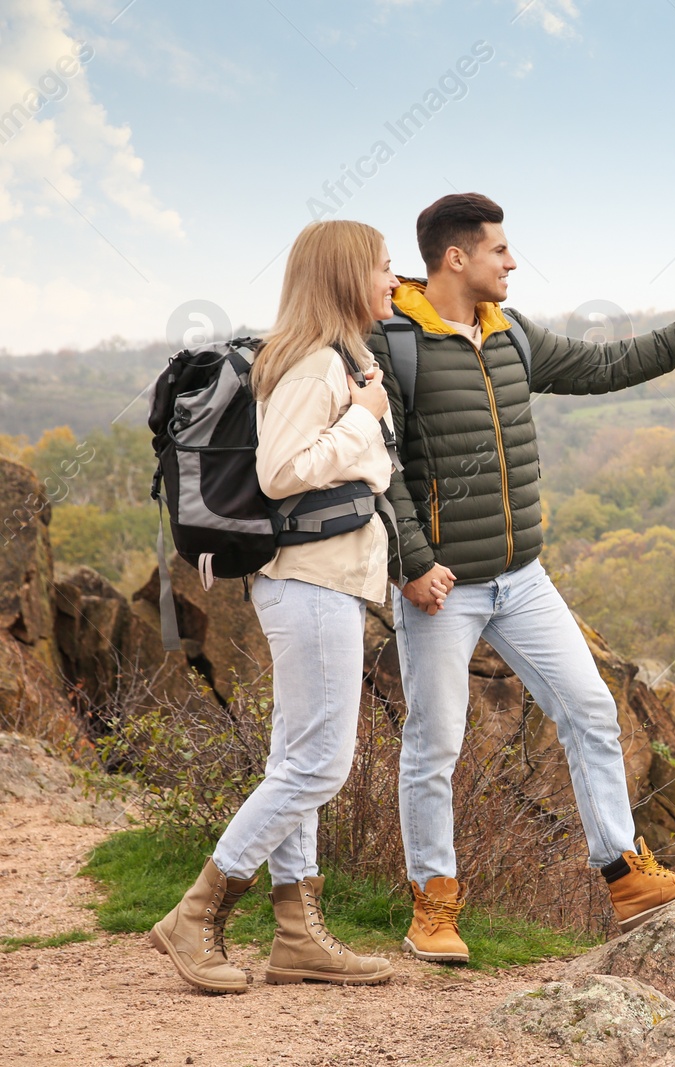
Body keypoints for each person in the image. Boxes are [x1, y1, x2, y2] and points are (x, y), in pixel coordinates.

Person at [372, 192, 675, 961]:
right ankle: (433, 906)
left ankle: (624, 876)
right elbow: (380, 469)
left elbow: (604, 364)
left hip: (521, 577)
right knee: (435, 743)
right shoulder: (394, 345)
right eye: (499, 250)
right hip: (441, 587)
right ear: (456, 258)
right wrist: (411, 565)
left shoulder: (509, 332)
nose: (512, 261)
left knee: (589, 707)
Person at [148, 220, 401, 992]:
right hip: (311, 581)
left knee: (295, 761)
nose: (396, 280)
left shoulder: (337, 361)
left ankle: (297, 935)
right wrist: (363, 416)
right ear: (346, 276)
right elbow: (283, 470)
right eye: (385, 268)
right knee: (319, 765)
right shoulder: (314, 368)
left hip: (319, 582)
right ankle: (196, 913)